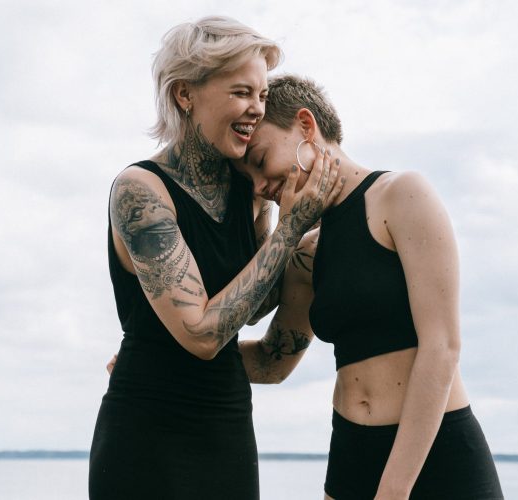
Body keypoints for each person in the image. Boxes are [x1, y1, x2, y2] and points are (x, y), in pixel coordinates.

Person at [89, 18, 343, 500]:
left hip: (227, 424)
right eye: (242, 92)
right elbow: (203, 335)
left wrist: (303, 247)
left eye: (263, 96)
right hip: (145, 431)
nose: (256, 110)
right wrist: (289, 230)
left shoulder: (247, 191)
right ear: (186, 94)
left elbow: (253, 298)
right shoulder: (140, 192)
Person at [234, 75, 504, 499]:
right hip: (351, 456)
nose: (259, 187)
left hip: (436, 458)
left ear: (306, 126)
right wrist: (165, 360)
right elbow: (272, 362)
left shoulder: (402, 195)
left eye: (261, 159)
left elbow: (442, 347)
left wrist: (393, 491)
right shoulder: (306, 251)